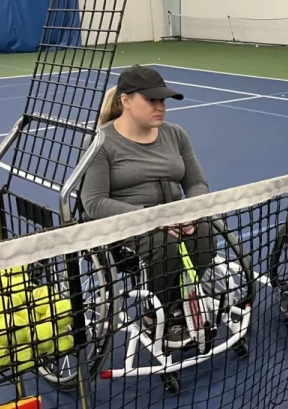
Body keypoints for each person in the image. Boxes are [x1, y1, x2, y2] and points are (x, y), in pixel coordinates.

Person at [80, 64, 213, 344]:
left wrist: (191, 212)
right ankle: (159, 315)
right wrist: (151, 218)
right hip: (126, 230)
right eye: (151, 100)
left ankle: (178, 303)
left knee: (205, 232)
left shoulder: (175, 134)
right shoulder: (101, 142)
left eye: (162, 100)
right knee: (161, 245)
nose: (160, 106)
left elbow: (197, 183)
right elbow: (93, 202)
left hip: (175, 218)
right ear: (126, 101)